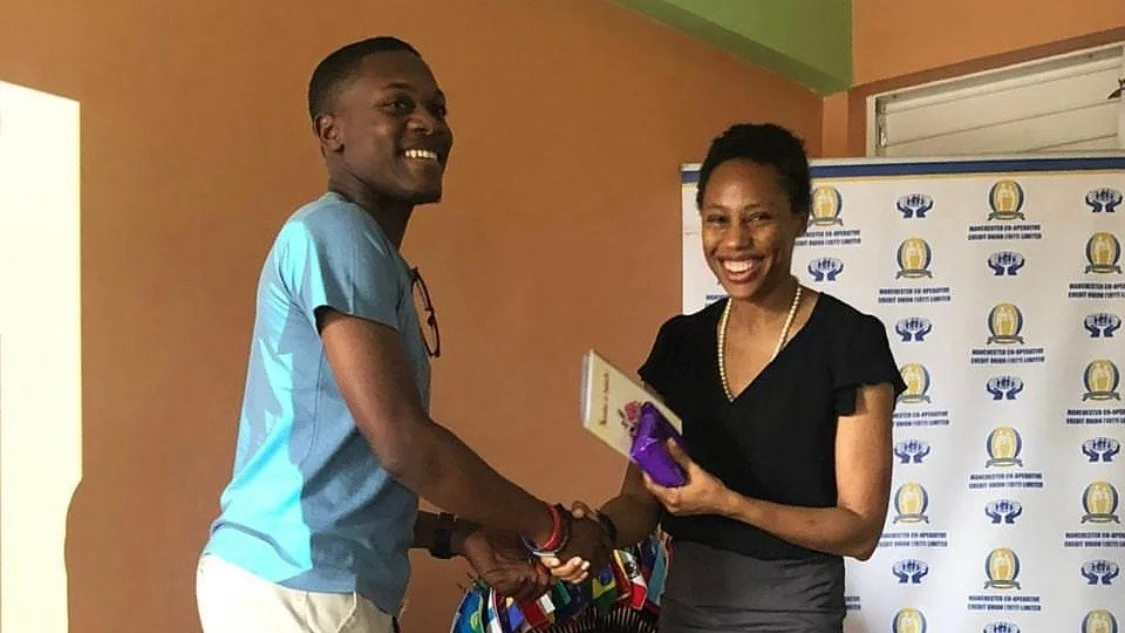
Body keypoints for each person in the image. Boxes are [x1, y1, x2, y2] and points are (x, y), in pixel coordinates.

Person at [195, 36, 609, 633]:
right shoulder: (335, 232)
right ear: (331, 132)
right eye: (396, 105)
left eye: (437, 108)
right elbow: (404, 445)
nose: (428, 123)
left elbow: (344, 480)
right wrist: (554, 529)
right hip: (302, 588)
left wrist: (457, 533)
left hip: (308, 584)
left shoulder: (365, 250)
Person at [547, 123, 905, 633]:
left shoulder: (849, 342)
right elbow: (638, 499)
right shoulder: (681, 343)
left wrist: (728, 504)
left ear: (800, 217)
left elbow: (859, 529)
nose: (735, 241)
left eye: (758, 218)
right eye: (717, 220)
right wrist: (597, 530)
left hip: (795, 614)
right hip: (686, 609)